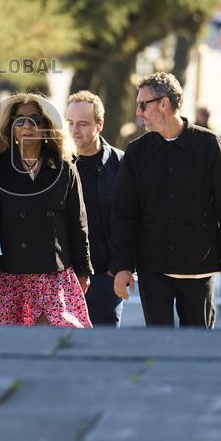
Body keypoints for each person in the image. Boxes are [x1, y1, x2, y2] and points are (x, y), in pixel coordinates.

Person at [111, 72, 221, 328]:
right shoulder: (136, 152)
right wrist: (123, 267)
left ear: (164, 103)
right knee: (159, 343)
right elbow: (124, 213)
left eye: (143, 105)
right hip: (152, 266)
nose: (138, 112)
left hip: (198, 265)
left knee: (198, 342)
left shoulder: (209, 144)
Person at [0, 94, 92, 327]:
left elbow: (78, 224)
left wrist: (83, 271)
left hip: (54, 275)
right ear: (10, 127)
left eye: (35, 119)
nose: (27, 126)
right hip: (12, 274)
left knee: (57, 340)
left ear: (46, 126)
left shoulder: (64, 168)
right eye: (19, 120)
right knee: (19, 350)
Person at [66, 91, 124, 327]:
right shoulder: (56, 164)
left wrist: (118, 269)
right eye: (69, 123)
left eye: (82, 124)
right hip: (63, 278)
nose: (73, 130)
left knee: (103, 351)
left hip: (105, 278)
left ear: (99, 125)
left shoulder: (121, 164)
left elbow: (131, 219)